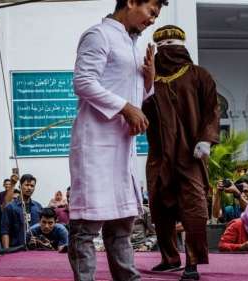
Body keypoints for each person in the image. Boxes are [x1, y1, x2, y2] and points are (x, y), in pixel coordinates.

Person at [68, 0, 167, 280]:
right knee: (87, 225)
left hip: (122, 146)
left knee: (123, 222)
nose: (152, 20)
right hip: (96, 144)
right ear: (132, 1)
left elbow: (134, 96)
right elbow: (83, 81)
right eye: (151, 12)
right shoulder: (98, 35)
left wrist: (149, 81)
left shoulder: (132, 45)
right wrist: (126, 107)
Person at [142, 24, 220, 280]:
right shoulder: (150, 77)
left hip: (190, 155)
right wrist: (146, 81)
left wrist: (206, 140)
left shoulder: (200, 75)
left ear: (183, 47)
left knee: (193, 208)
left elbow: (211, 110)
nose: (167, 52)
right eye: (162, 48)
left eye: (172, 46)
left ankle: (193, 261)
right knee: (159, 208)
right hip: (158, 156)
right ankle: (169, 257)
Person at [1, 174, 43, 249]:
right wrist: (6, 251)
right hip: (16, 250)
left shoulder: (38, 207)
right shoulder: (10, 207)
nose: (29, 188)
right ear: (20, 186)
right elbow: (5, 231)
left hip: (35, 251)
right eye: (26, 185)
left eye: (32, 186)